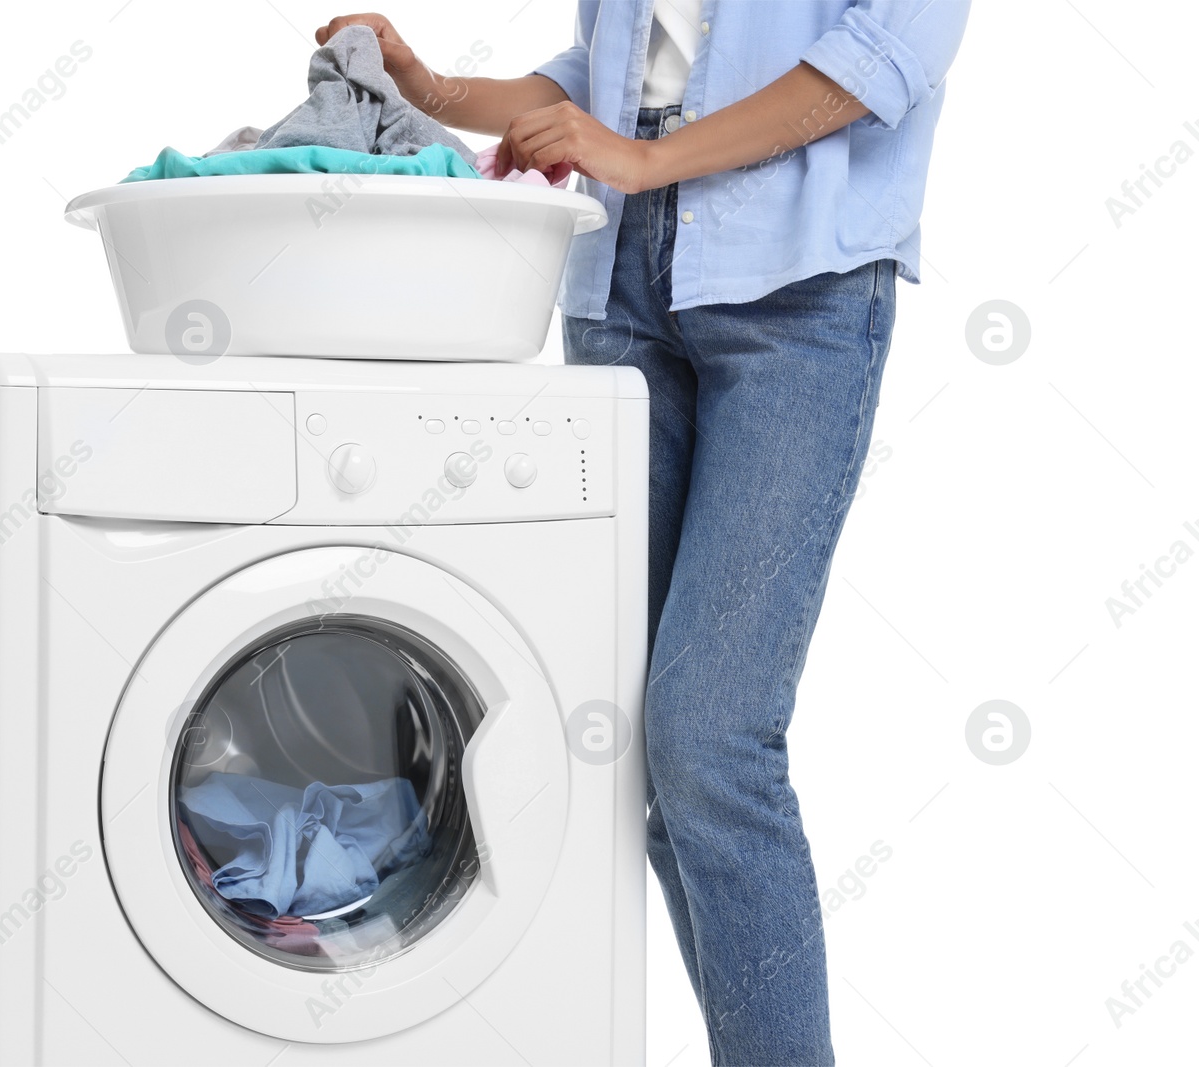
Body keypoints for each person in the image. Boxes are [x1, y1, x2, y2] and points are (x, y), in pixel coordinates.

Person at [319, 4, 969, 1064]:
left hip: (795, 296)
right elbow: (610, 72)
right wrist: (427, 88)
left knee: (710, 741)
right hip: (623, 288)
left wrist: (640, 156)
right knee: (643, 758)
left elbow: (881, 59)